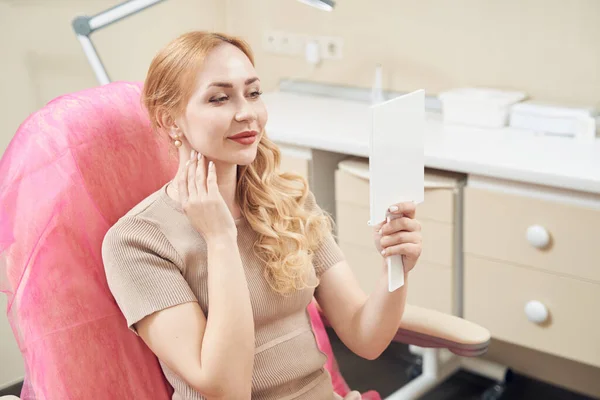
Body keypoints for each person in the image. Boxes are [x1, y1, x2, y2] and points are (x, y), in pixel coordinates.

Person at [101, 31, 422, 400]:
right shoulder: (137, 241)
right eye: (219, 98)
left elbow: (366, 338)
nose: (247, 113)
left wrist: (395, 266)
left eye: (253, 93)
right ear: (171, 121)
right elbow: (227, 389)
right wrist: (220, 238)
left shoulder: (287, 201)